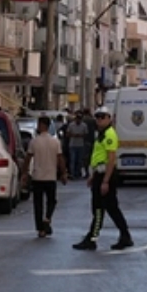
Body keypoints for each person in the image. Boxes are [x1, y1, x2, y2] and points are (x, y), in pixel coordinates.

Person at [73, 106, 133, 251]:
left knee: (106, 208)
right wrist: (93, 175)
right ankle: (97, 238)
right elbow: (99, 157)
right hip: (99, 173)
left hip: (106, 174)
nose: (99, 120)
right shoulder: (101, 134)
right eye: (98, 117)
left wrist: (105, 181)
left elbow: (111, 159)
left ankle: (97, 238)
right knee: (102, 209)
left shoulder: (109, 134)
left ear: (109, 118)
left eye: (103, 117)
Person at [26, 116, 68, 238]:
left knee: (38, 204)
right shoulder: (55, 142)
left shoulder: (34, 141)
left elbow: (28, 158)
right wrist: (64, 173)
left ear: (41, 125)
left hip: (37, 177)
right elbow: (60, 158)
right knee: (52, 201)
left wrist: (24, 173)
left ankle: (40, 228)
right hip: (51, 176)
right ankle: (47, 218)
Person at [65, 112, 90, 180]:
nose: (78, 121)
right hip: (72, 145)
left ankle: (78, 173)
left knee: (79, 160)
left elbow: (86, 134)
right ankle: (72, 174)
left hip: (80, 145)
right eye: (77, 119)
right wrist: (73, 135)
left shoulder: (84, 125)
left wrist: (81, 135)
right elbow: (67, 134)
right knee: (72, 160)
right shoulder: (71, 125)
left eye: (79, 119)